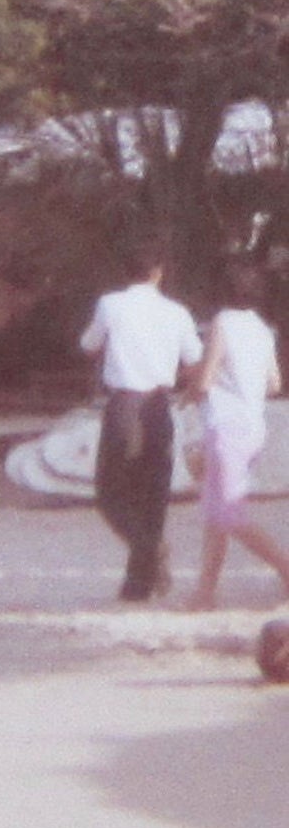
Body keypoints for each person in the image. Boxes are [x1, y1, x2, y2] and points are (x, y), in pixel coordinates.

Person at [80, 239, 203, 601]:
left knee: (110, 491)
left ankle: (144, 561)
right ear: (159, 272)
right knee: (153, 494)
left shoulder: (110, 305)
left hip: (125, 405)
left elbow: (89, 345)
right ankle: (144, 569)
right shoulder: (177, 312)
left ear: (125, 271)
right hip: (159, 405)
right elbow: (194, 359)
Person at [185, 259, 289, 610]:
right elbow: (274, 383)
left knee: (228, 514)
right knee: (217, 513)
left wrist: (193, 386)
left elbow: (204, 378)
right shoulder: (262, 328)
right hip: (253, 425)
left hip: (226, 425)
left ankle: (286, 568)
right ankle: (205, 592)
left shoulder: (222, 323)